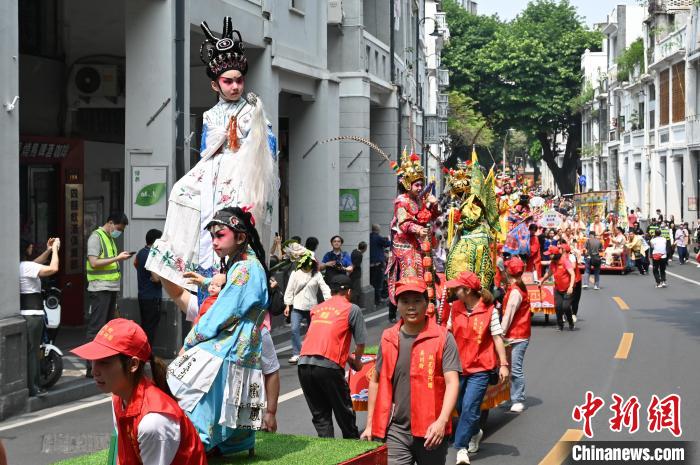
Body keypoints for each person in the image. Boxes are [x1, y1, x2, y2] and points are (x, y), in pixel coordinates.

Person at [146, 17, 277, 295]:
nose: (235, 86)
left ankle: (243, 260)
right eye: (228, 81)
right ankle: (179, 257)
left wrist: (254, 129)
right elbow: (206, 149)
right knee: (181, 190)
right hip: (214, 168)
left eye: (239, 80)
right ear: (215, 85)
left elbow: (269, 148)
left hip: (244, 168)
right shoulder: (210, 114)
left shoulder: (253, 109)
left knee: (241, 211)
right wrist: (221, 137)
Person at [165, 207, 270, 455]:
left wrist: (190, 341)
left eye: (220, 235)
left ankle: (196, 446)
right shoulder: (245, 264)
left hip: (229, 344)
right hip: (242, 345)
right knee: (231, 397)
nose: (214, 242)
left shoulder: (244, 269)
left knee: (192, 389)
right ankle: (230, 444)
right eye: (212, 236)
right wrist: (204, 282)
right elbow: (231, 292)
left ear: (241, 237)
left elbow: (222, 312)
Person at [71, 318, 207, 465]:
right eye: (94, 359)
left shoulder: (154, 422)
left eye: (104, 362)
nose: (94, 370)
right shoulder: (118, 396)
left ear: (133, 364)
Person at [361, 277, 460, 465]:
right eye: (405, 302)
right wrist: (370, 424)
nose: (411, 307)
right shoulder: (388, 338)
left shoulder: (443, 338)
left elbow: (452, 382)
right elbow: (376, 380)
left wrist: (442, 421)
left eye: (417, 301)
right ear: (397, 305)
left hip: (431, 431)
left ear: (427, 303)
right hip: (396, 430)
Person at [444, 271, 508, 464]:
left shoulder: (490, 310)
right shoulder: (454, 307)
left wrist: (503, 364)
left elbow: (497, 337)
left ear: (468, 290)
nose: (454, 290)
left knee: (470, 407)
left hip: (481, 368)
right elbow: (447, 332)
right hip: (457, 366)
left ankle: (461, 449)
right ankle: (475, 432)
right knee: (460, 407)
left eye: (458, 288)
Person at [298, 275, 367, 438]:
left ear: (331, 290)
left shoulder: (317, 308)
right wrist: (357, 363)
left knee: (321, 416)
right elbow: (361, 343)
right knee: (344, 411)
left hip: (303, 364)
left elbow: (321, 337)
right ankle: (352, 447)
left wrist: (348, 358)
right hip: (328, 366)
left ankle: (328, 451)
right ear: (349, 292)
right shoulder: (352, 309)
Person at [387, 152, 439, 306]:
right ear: (408, 184)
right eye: (417, 185)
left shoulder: (419, 200)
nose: (420, 187)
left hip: (420, 245)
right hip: (405, 247)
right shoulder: (401, 201)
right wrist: (418, 229)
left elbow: (430, 216)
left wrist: (434, 204)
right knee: (411, 279)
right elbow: (404, 223)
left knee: (427, 278)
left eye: (421, 184)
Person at [85, 212, 132, 377]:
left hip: (110, 288)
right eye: (118, 228)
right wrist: (116, 258)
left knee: (107, 329)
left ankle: (102, 363)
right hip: (99, 289)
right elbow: (94, 262)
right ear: (110, 223)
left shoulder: (109, 238)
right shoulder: (95, 238)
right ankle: (91, 367)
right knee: (96, 327)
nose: (118, 232)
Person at [19, 237, 60, 396]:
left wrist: (48, 250)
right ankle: (34, 387)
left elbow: (36, 262)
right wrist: (55, 249)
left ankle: (32, 385)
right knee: (33, 352)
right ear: (27, 248)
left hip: (25, 313)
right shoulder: (27, 266)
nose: (32, 249)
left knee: (29, 350)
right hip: (33, 315)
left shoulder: (21, 265)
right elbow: (53, 268)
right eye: (31, 247)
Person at [284, 250, 332, 364]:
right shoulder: (295, 273)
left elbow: (324, 288)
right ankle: (297, 353)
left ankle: (311, 352)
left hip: (312, 308)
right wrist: (287, 305)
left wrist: (329, 301)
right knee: (294, 329)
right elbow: (289, 289)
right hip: (297, 307)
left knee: (313, 331)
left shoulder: (317, 274)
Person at [500, 258, 530, 414]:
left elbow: (508, 315)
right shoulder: (517, 288)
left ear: (508, 272)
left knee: (515, 369)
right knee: (509, 368)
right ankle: (511, 396)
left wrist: (500, 333)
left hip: (517, 335)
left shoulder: (516, 292)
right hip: (516, 334)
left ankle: (518, 399)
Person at [133, 229, 163, 346]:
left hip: (143, 295)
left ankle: (143, 354)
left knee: (145, 326)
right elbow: (156, 278)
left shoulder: (141, 252)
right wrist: (161, 278)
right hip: (153, 297)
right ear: (156, 242)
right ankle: (147, 355)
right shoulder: (152, 255)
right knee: (151, 329)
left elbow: (135, 264)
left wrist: (144, 274)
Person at [539, 246, 575, 331]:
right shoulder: (552, 263)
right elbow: (549, 273)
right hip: (558, 288)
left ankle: (571, 322)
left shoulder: (565, 261)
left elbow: (572, 274)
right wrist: (542, 281)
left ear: (554, 254)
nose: (548, 256)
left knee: (565, 307)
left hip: (567, 289)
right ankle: (560, 325)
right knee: (558, 307)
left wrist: (571, 287)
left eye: (550, 254)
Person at [370, 224, 391, 306]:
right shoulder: (378, 238)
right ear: (378, 230)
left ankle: (376, 300)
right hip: (378, 264)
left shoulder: (369, 237)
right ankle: (378, 300)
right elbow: (388, 243)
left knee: (372, 282)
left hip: (371, 265)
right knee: (378, 283)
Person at [561, 243, 583, 322]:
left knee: (575, 299)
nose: (559, 250)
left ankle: (573, 314)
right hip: (565, 280)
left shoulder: (571, 256)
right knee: (563, 298)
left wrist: (564, 265)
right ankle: (563, 314)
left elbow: (573, 267)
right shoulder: (560, 257)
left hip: (576, 280)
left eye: (561, 249)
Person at [350, 241, 367, 306]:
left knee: (354, 289)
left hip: (352, 274)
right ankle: (355, 305)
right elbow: (354, 264)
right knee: (356, 290)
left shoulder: (354, 251)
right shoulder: (359, 255)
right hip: (355, 274)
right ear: (365, 248)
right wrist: (350, 271)